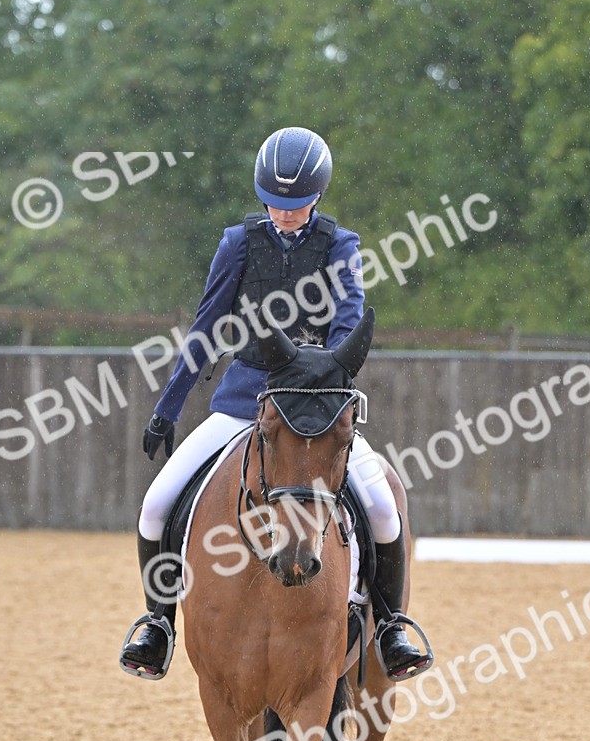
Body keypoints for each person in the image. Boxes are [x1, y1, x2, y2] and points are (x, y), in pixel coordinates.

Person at [120, 125, 432, 681]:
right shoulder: (238, 242)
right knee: (155, 503)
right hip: (247, 399)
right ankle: (158, 623)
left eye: (296, 205)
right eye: (275, 205)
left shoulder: (340, 245)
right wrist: (168, 406)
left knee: (384, 509)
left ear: (317, 198)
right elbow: (206, 324)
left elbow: (350, 313)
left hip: (315, 405)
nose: (285, 215)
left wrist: (325, 368)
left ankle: (389, 626)